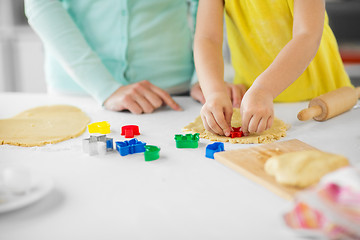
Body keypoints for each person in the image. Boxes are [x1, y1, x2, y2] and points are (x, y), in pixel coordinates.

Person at [24, 0, 245, 114]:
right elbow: (42, 5)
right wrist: (105, 88)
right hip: (81, 94)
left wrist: (206, 78)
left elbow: (207, 5)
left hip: (177, 96)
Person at [194, 0, 353, 136]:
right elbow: (207, 38)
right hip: (250, 102)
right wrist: (214, 92)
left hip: (322, 102)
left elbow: (307, 35)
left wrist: (264, 89)